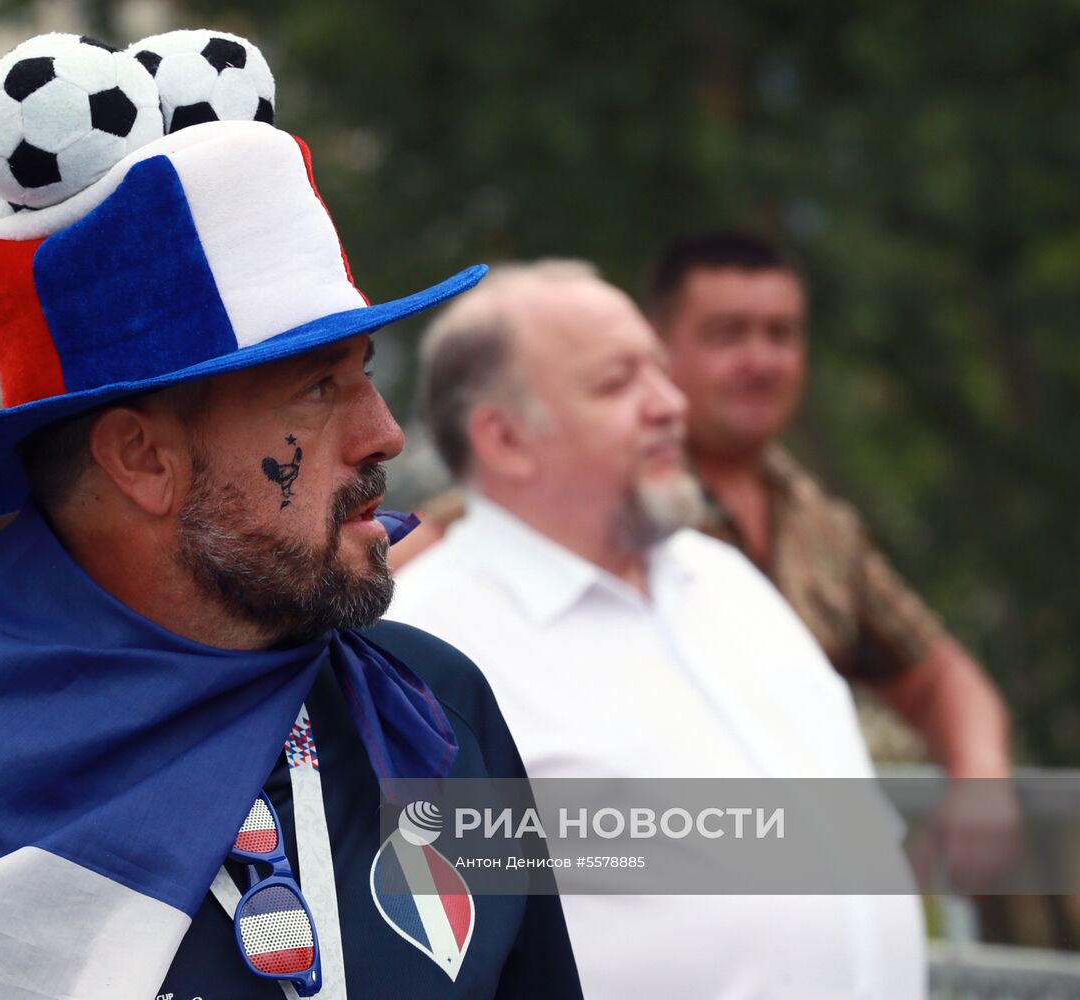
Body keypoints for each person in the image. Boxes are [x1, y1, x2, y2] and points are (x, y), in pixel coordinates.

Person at [0, 31, 581, 1000]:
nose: (383, 433)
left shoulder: (430, 709)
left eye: (364, 373)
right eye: (315, 388)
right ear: (140, 459)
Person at [388, 260, 926, 999]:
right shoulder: (423, 651)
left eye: (661, 373)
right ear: (505, 439)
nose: (671, 404)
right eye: (618, 384)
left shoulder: (725, 577)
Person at [648, 232, 1016, 873]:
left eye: (781, 334)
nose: (761, 361)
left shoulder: (820, 527)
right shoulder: (604, 500)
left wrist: (980, 777)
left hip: (810, 877)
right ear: (657, 350)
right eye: (728, 334)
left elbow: (939, 674)